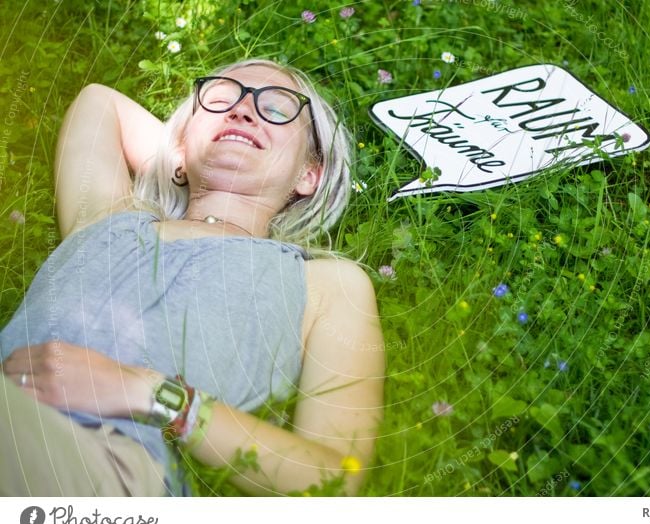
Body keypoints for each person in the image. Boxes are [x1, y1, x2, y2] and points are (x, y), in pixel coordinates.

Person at [0, 59, 385, 496]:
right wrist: (187, 155)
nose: (243, 109)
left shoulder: (327, 283)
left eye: (277, 109)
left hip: (108, 472)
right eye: (221, 100)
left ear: (309, 174)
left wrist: (151, 394)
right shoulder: (107, 219)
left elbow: (334, 479)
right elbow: (99, 102)